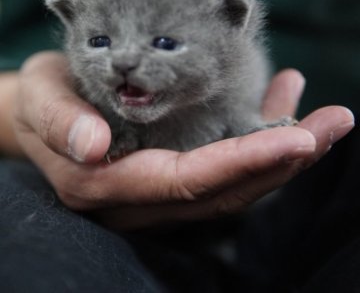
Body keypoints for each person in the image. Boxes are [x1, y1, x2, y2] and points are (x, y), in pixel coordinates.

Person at [0, 50, 356, 292]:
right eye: (101, 43)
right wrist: (22, 109)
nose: (127, 59)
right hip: (37, 156)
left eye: (165, 44)